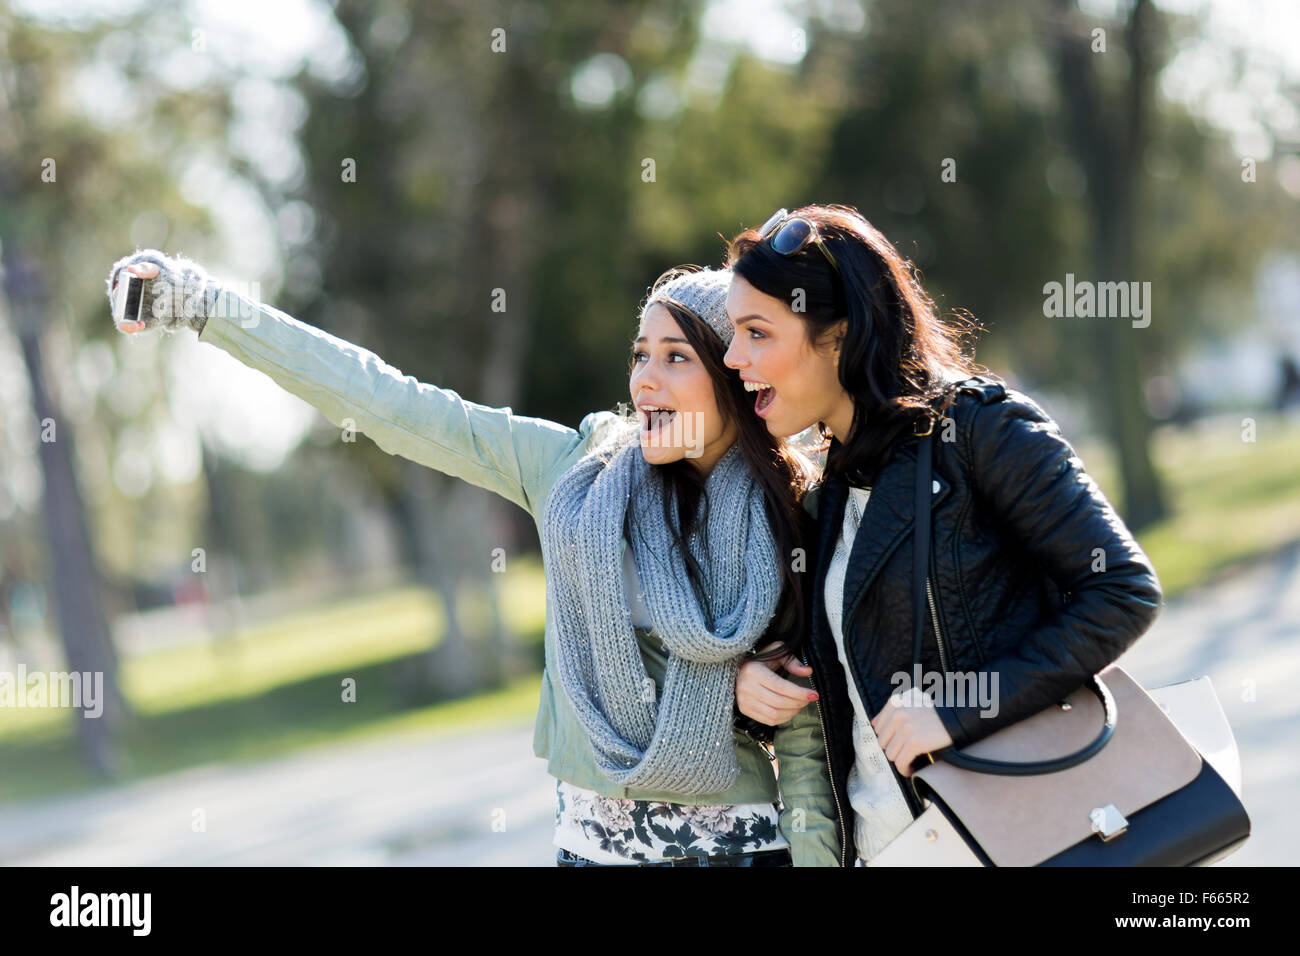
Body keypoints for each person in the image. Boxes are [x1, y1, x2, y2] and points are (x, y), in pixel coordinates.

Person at [104, 250, 831, 866]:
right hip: (591, 845)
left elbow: (808, 755)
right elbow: (391, 404)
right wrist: (206, 306)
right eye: (640, 355)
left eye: (676, 357)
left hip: (743, 845)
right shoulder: (575, 472)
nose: (644, 379)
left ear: (734, 375)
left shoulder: (795, 514)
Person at [725, 204, 1164, 867]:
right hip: (887, 848)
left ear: (839, 335)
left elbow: (1123, 592)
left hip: (1007, 839)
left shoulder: (979, 429)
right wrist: (759, 678)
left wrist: (959, 709)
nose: (734, 358)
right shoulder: (832, 489)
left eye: (757, 333)